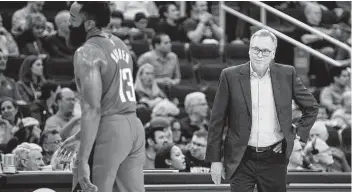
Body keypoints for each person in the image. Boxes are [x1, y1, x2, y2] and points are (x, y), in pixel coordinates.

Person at [206, 29, 318, 192]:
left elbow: (311, 107)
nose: (259, 54)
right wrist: (215, 160)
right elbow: (217, 120)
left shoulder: (287, 74)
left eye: (265, 51)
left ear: (273, 53)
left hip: (274, 157)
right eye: (255, 49)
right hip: (241, 157)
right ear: (249, 49)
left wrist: (296, 137)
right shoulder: (230, 76)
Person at [61, 2, 145, 192]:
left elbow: (93, 108)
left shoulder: (87, 52)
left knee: (89, 187)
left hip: (110, 130)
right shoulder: (120, 44)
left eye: (73, 19)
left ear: (88, 24)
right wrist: (82, 133)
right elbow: (114, 94)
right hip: (134, 127)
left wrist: (82, 160)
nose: (69, 23)